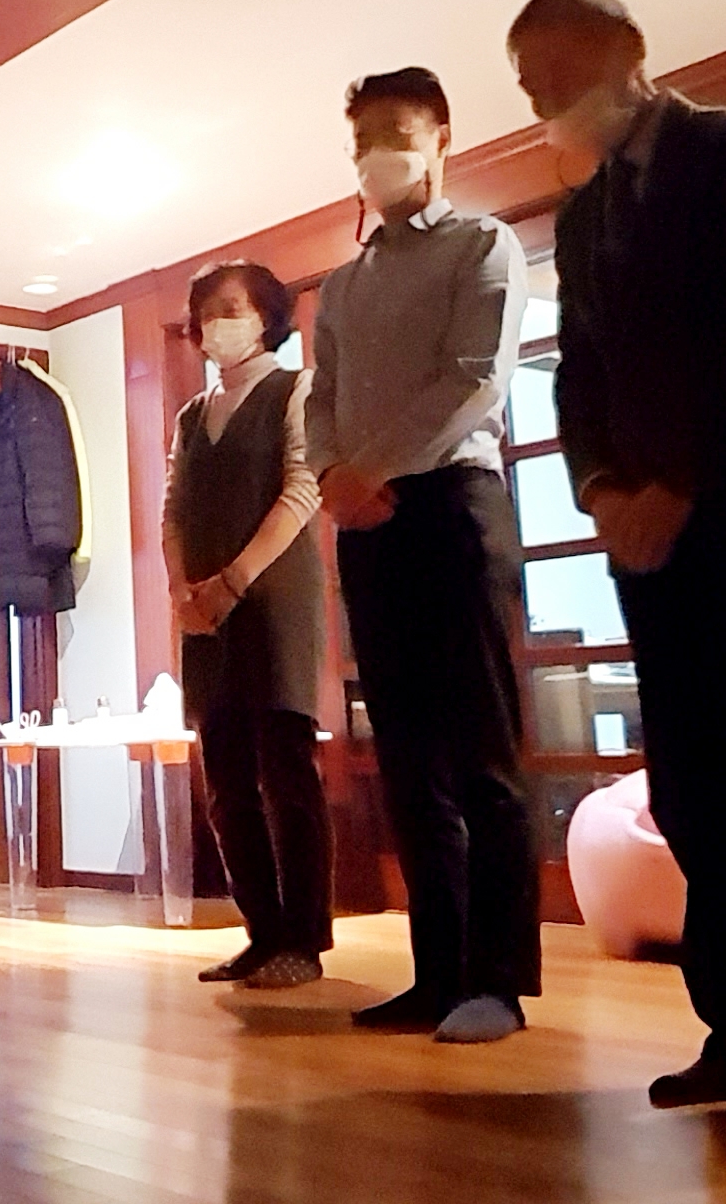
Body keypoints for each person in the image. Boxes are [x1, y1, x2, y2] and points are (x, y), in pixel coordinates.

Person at [508, 0, 726, 1123]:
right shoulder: (583, 217)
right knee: (697, 793)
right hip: (651, 547)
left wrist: (680, 482)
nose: (545, 100)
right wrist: (603, 489)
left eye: (559, 73)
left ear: (629, 51)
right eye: (529, 84)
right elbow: (579, 376)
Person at [307, 66, 541, 1045]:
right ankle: (435, 972)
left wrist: (372, 469)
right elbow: (320, 398)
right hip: (367, 522)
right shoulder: (344, 284)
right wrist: (334, 475)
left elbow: (475, 379)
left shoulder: (483, 245)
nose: (378, 155)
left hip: (453, 506)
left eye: (396, 134)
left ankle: (498, 983)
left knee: (482, 750)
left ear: (442, 137)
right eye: (363, 138)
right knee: (405, 757)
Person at [166, 260, 333, 990]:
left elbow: (303, 490)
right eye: (205, 313)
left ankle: (304, 938)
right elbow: (173, 509)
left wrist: (234, 580)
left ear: (267, 316)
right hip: (206, 611)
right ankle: (261, 933)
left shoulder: (296, 389)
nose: (214, 325)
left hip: (274, 601)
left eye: (230, 309)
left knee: (286, 772)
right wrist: (183, 589)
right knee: (226, 781)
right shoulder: (189, 416)